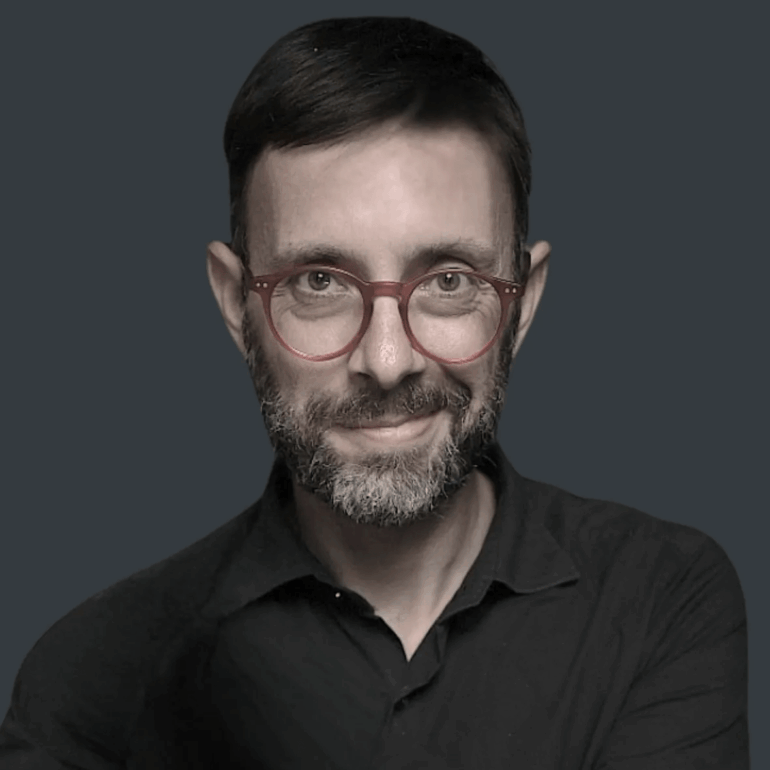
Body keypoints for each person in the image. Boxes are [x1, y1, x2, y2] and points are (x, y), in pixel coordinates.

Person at [0, 16, 748, 770]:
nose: (387, 361)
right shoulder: (91, 681)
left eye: (448, 281)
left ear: (522, 302)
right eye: (318, 282)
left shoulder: (660, 598)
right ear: (235, 304)